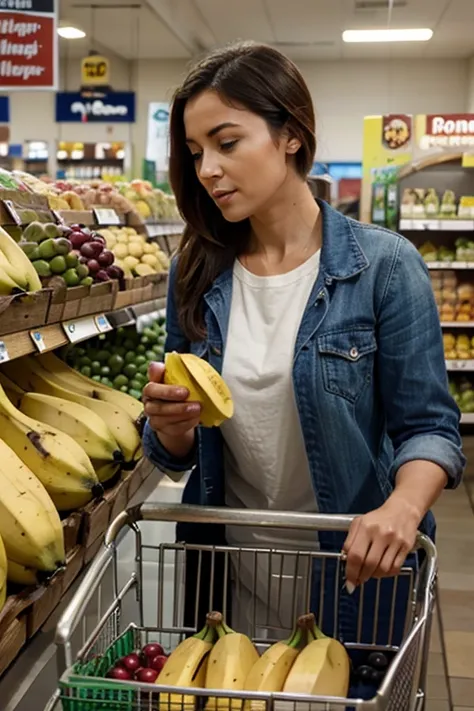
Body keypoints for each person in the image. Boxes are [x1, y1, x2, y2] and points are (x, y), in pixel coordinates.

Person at [142, 40, 465, 688]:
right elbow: (173, 453)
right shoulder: (195, 273)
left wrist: (403, 505)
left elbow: (430, 425)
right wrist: (171, 426)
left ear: (290, 133)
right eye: (196, 150)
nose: (207, 168)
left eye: (227, 142)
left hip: (353, 576)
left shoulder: (383, 267)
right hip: (227, 584)